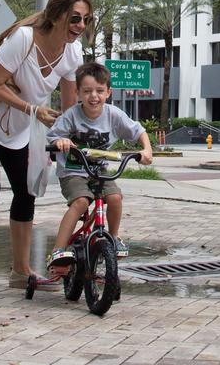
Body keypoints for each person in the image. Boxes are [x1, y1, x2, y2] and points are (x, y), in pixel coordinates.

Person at [0, 0, 92, 301]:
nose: (80, 25)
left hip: (21, 130)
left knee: (26, 192)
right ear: (57, 14)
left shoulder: (72, 52)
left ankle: (21, 272)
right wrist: (33, 109)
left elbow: (68, 103)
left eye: (86, 20)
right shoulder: (23, 39)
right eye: (75, 18)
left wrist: (69, 136)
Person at [45, 62, 153, 275]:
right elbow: (54, 136)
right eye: (87, 91)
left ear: (108, 92)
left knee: (115, 198)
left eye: (99, 91)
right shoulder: (71, 116)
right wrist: (61, 142)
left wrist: (147, 149)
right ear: (77, 93)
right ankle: (58, 250)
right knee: (81, 202)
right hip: (74, 172)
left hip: (100, 171)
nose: (93, 96)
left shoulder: (113, 115)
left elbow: (138, 130)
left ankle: (112, 238)